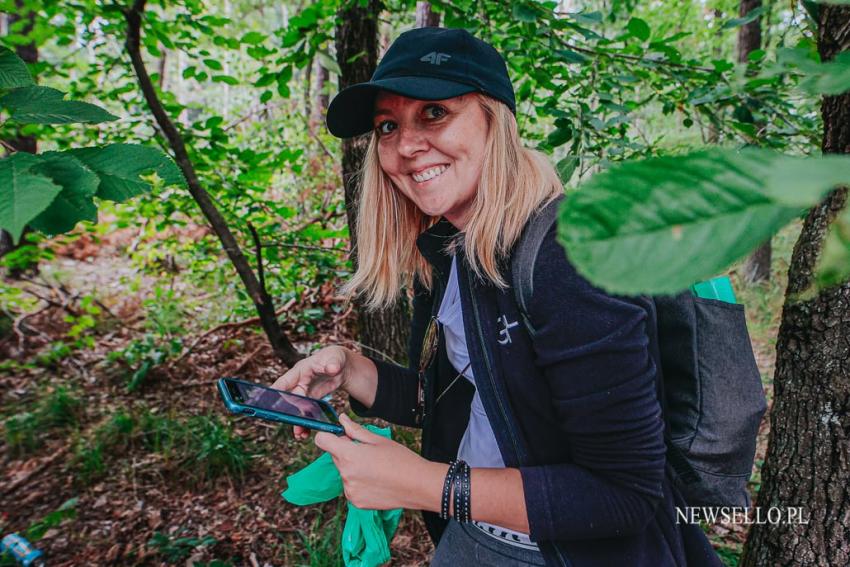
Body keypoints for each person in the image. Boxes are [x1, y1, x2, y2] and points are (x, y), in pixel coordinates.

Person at [272, 27, 721, 567]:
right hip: (476, 539)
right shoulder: (458, 248)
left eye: (434, 113)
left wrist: (428, 485)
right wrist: (351, 369)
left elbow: (624, 494)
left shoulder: (567, 256)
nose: (407, 145)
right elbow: (481, 403)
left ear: (494, 120)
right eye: (388, 125)